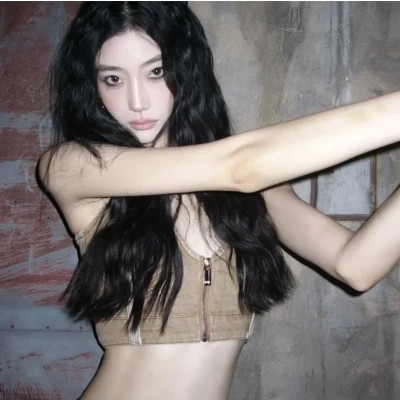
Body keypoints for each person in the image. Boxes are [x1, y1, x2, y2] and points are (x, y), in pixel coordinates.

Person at [38, 2, 400, 399]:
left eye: (156, 72)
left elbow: (355, 266)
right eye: (113, 79)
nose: (137, 101)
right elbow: (240, 166)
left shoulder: (253, 188)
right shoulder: (73, 166)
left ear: (185, 68)